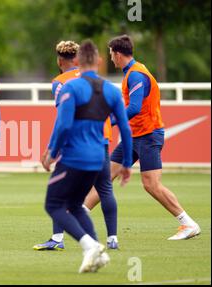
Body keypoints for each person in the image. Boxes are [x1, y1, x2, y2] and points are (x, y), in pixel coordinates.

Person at [84, 35, 201, 240]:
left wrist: (109, 121)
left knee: (151, 185)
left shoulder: (137, 75)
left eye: (111, 54)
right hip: (135, 135)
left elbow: (135, 108)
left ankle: (188, 224)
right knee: (106, 177)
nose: (111, 59)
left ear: (118, 54)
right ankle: (81, 213)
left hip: (148, 135)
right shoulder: (131, 72)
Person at [41, 40, 133, 273]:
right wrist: (126, 163)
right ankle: (97, 250)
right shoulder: (112, 90)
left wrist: (51, 152)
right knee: (76, 204)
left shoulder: (71, 87)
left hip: (75, 157)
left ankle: (88, 245)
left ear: (79, 62)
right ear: (100, 61)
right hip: (99, 157)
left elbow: (62, 126)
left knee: (54, 204)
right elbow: (125, 128)